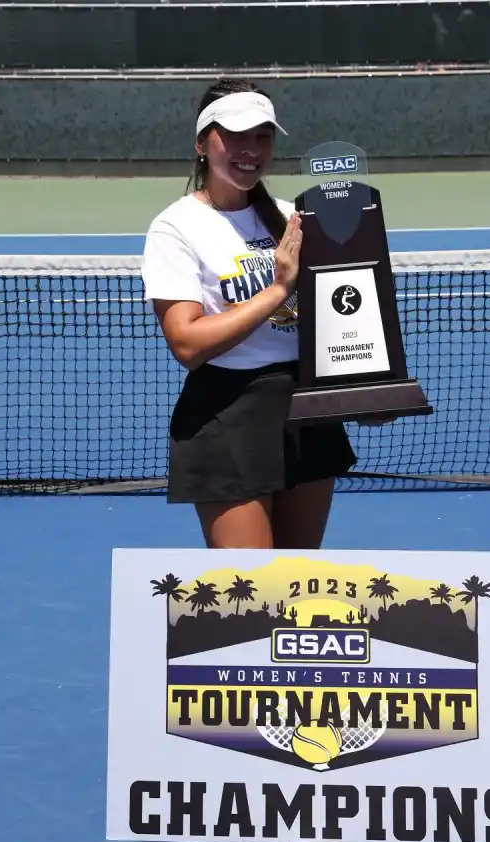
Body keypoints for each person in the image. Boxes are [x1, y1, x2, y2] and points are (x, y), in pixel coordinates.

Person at [142, 77, 358, 551]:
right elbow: (187, 344)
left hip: (306, 409)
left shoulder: (291, 218)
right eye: (235, 136)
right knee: (251, 587)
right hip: (228, 414)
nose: (251, 150)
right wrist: (278, 289)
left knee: (298, 578)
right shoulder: (176, 228)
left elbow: (333, 318)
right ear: (202, 144)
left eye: (262, 136)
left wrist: (362, 390)